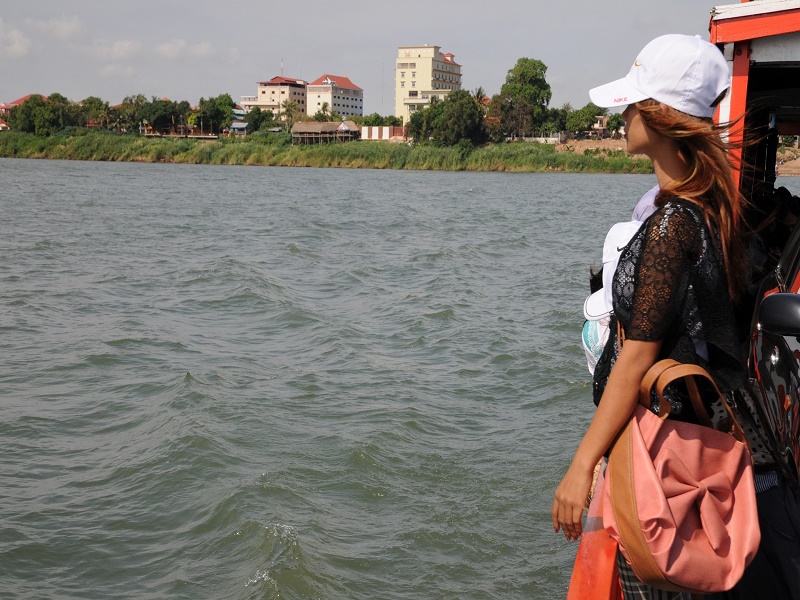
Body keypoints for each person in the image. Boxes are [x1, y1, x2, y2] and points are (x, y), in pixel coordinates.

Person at [552, 34, 753, 599]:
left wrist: (581, 464)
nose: (622, 117)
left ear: (659, 117)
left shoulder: (671, 224)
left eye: (632, 105)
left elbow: (638, 354)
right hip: (691, 443)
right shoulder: (710, 210)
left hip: (658, 457)